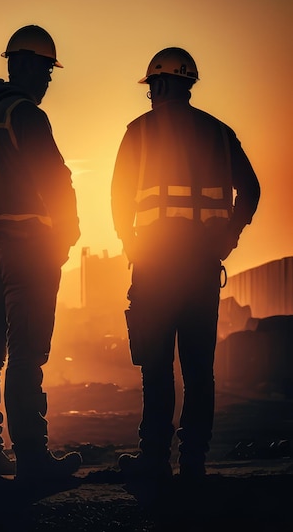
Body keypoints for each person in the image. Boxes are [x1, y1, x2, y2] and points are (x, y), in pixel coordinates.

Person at [111, 47, 260, 483]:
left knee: (156, 368)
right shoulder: (219, 133)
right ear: (188, 85)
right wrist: (227, 237)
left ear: (158, 85)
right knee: (199, 370)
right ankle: (193, 460)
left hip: (154, 268)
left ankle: (153, 458)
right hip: (200, 269)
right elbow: (249, 191)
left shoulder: (138, 132)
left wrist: (129, 243)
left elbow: (119, 199)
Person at [0, 25, 81, 485]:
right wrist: (64, 240)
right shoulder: (25, 116)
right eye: (46, 69)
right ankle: (33, 459)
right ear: (25, 66)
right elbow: (57, 181)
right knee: (28, 355)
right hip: (30, 253)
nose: (49, 79)